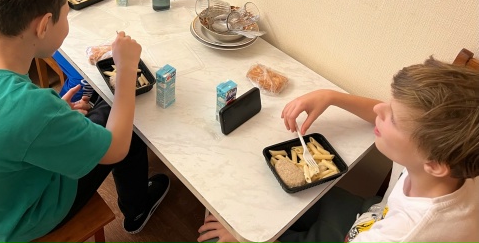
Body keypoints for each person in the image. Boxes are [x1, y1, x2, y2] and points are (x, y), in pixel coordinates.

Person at [0, 0, 169, 242]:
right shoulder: (32, 108)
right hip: (18, 220)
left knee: (104, 107)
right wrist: (125, 70)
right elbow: (116, 149)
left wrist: (50, 118)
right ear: (44, 24)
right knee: (128, 125)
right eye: (67, 14)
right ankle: (138, 209)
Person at [198, 58, 479, 243]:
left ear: (435, 163)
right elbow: (392, 116)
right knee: (265, 197)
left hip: (362, 231)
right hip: (371, 213)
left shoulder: (402, 236)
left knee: (220, 235)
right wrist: (331, 97)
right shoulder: (452, 158)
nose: (379, 109)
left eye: (392, 117)